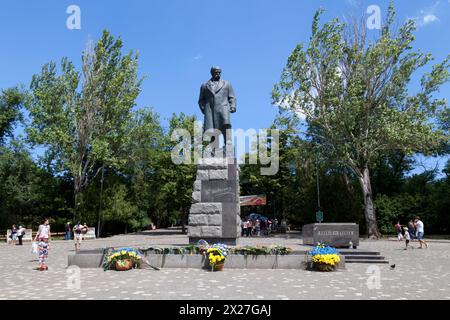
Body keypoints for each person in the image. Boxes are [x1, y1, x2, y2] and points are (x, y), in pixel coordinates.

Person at [198, 66, 237, 154]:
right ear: (212, 73)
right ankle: (213, 148)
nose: (218, 74)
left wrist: (233, 106)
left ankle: (228, 144)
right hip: (210, 111)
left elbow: (232, 97)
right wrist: (204, 109)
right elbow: (201, 100)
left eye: (219, 72)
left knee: (225, 126)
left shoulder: (227, 83)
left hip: (223, 109)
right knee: (212, 129)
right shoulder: (204, 85)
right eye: (216, 72)